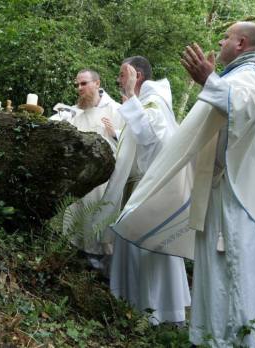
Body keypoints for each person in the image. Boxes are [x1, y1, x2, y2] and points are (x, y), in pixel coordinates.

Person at [178, 22, 255, 346]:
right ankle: (213, 337)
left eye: (225, 37)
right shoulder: (237, 76)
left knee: (235, 273)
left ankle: (239, 340)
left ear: (241, 43)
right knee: (219, 275)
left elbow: (246, 105)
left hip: (238, 199)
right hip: (222, 193)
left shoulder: (252, 75)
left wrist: (209, 81)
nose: (220, 42)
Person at [105, 56, 191, 325]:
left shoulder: (155, 103)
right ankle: (131, 309)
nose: (119, 80)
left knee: (147, 251)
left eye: (123, 74)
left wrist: (130, 96)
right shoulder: (145, 104)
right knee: (132, 250)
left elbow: (152, 140)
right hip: (138, 190)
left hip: (150, 193)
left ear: (136, 75)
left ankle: (154, 314)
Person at [54, 69, 124, 273]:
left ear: (97, 83)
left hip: (104, 183)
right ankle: (73, 267)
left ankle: (100, 276)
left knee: (98, 227)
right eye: (77, 85)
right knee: (75, 224)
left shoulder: (117, 110)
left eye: (83, 84)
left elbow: (130, 143)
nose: (79, 89)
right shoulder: (75, 111)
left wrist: (115, 134)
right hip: (78, 180)